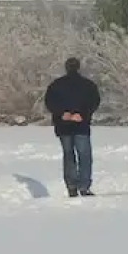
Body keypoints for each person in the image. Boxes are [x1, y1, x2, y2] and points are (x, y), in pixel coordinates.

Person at [43, 56, 103, 197]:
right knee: (85, 155)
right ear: (78, 67)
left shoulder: (56, 85)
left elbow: (49, 102)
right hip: (81, 125)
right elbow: (94, 102)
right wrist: (82, 114)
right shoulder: (88, 85)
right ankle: (84, 186)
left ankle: (71, 186)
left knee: (68, 155)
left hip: (63, 125)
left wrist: (63, 114)